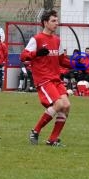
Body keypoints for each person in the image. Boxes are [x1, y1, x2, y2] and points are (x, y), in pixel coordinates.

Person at [20, 10, 72, 147]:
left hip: (56, 79)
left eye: (57, 20)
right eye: (53, 21)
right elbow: (23, 57)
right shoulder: (36, 39)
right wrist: (36, 53)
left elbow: (62, 60)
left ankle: (52, 140)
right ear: (45, 23)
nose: (57, 23)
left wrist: (77, 64)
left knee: (66, 106)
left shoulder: (57, 40)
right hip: (44, 79)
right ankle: (35, 131)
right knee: (59, 104)